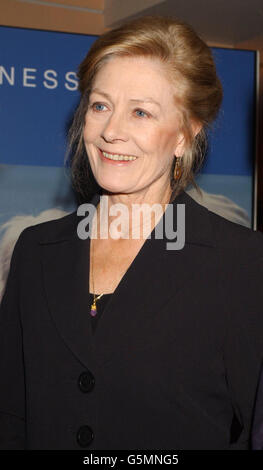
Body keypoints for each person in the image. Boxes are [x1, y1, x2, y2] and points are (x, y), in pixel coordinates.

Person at [0, 15, 263, 450]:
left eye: (140, 112)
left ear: (185, 133)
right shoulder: (36, 250)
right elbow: (10, 412)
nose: (111, 131)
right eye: (100, 105)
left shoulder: (241, 263)